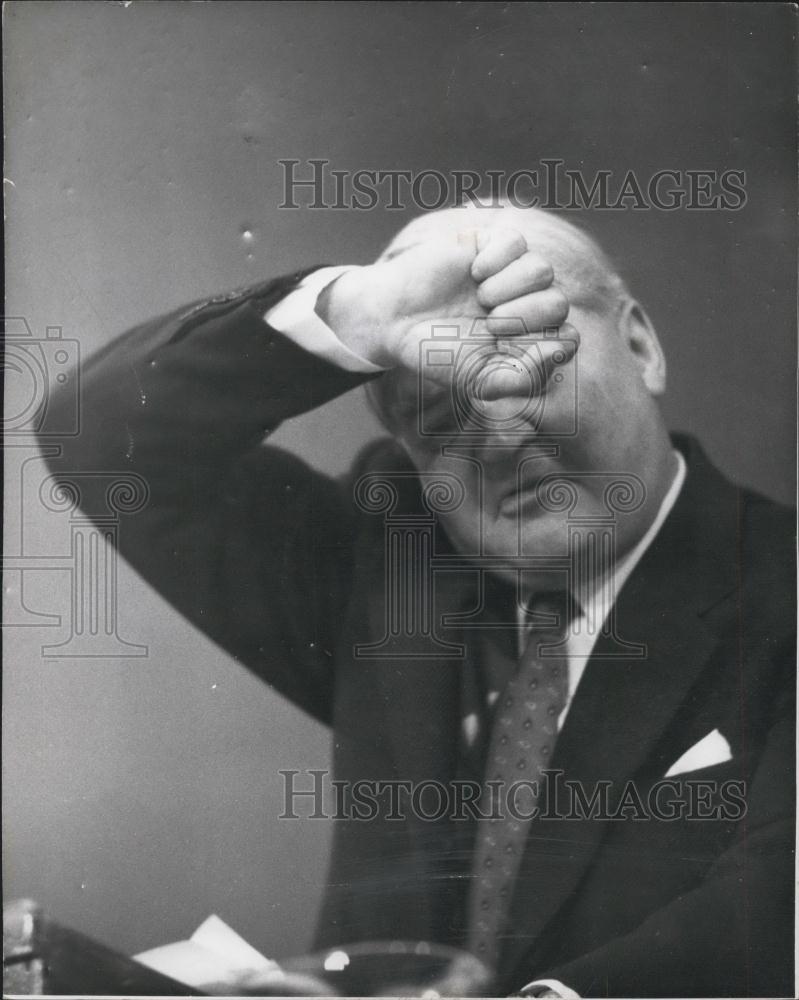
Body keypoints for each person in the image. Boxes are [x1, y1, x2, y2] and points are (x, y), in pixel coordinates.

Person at [43, 204, 794, 997]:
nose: (503, 438)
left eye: (536, 367)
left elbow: (776, 915)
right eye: (443, 415)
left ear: (639, 346)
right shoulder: (393, 558)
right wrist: (356, 314)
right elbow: (93, 440)